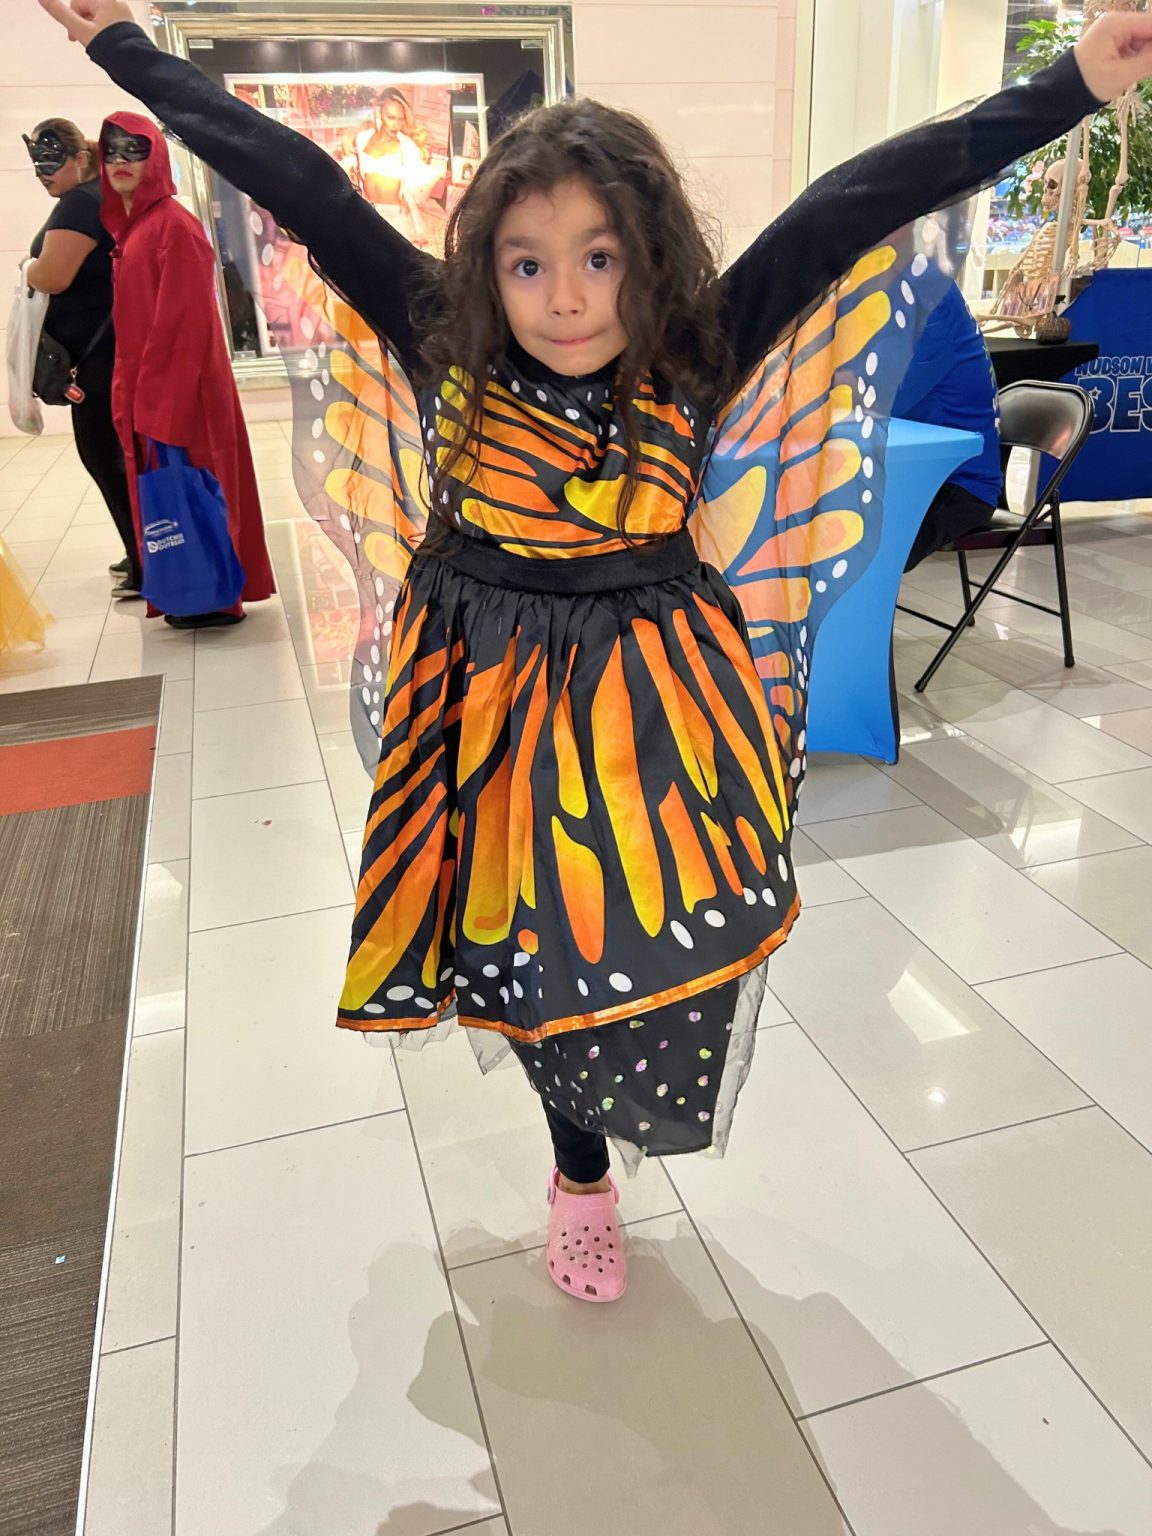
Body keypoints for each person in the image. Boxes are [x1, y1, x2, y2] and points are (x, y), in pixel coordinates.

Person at [45, 0, 1152, 1302]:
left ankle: (607, 1114)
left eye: (599, 258)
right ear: (486, 269)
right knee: (521, 950)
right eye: (527, 264)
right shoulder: (445, 340)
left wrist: (1073, 81)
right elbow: (294, 176)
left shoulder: (697, 353)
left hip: (650, 709)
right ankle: (580, 1174)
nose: (565, 299)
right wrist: (126, 45)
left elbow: (865, 194)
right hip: (484, 707)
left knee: (639, 942)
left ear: (649, 257)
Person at [96, 112, 275, 628]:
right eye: (111, 150)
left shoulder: (172, 227)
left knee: (198, 489)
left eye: (135, 149)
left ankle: (214, 594)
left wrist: (157, 406)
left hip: (183, 395)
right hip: (152, 390)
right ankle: (188, 589)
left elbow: (184, 325)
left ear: (156, 156)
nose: (121, 160)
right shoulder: (136, 230)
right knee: (171, 495)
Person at [23, 118, 140, 597]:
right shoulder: (97, 199)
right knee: (112, 456)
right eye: (37, 165)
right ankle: (141, 549)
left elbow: (52, 276)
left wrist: (27, 266)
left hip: (97, 358)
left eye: (51, 163)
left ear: (79, 159)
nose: (43, 174)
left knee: (104, 457)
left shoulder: (80, 203)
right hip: (106, 351)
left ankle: (144, 560)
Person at [893, 281, 1001, 569]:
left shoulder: (928, 300)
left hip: (959, 484)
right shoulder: (918, 288)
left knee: (857, 552)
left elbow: (879, 401)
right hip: (917, 471)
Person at [352, 87, 442, 248]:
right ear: (380, 113)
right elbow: (359, 174)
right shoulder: (362, 139)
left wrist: (409, 197)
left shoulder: (406, 146)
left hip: (394, 214)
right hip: (368, 210)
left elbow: (418, 181)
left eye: (400, 119)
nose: (396, 125)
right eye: (391, 117)